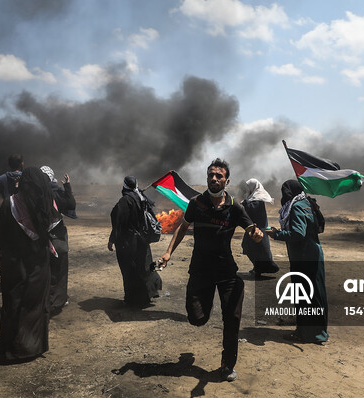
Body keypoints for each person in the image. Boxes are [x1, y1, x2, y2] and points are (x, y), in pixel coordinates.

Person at [158, 159, 264, 382]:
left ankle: (227, 364)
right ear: (207, 178)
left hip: (226, 272)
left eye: (219, 176)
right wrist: (169, 253)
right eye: (211, 175)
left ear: (227, 180)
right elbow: (183, 227)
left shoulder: (234, 207)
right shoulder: (197, 203)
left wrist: (256, 235)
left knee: (232, 319)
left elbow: (251, 229)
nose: (214, 179)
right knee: (197, 318)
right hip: (200, 270)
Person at [0, 167, 58, 361]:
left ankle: (13, 347)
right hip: (38, 264)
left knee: (13, 304)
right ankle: (32, 346)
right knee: (36, 306)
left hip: (15, 265)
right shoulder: (46, 204)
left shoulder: (10, 204)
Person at [267, 180, 329, 343]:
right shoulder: (308, 202)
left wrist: (276, 234)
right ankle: (319, 332)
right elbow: (318, 227)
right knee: (316, 294)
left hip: (303, 257)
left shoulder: (296, 206)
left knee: (303, 294)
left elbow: (297, 234)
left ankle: (305, 333)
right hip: (314, 253)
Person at [108, 176, 162, 308]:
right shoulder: (141, 197)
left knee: (129, 270)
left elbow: (118, 222)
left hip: (128, 242)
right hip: (142, 240)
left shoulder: (126, 200)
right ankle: (146, 296)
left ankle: (133, 300)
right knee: (143, 267)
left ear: (125, 186)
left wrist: (112, 240)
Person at [42, 166, 76, 315]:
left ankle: (45, 298)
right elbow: (71, 204)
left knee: (45, 269)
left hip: (41, 237)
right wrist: (67, 186)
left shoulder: (35, 194)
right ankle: (59, 298)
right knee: (60, 268)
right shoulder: (57, 193)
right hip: (58, 237)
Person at [239, 178, 279, 277]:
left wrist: (243, 204)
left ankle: (258, 269)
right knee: (248, 247)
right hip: (252, 229)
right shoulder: (253, 198)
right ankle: (257, 267)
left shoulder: (257, 199)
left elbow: (250, 209)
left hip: (258, 230)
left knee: (257, 250)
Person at [0, 154, 24, 265]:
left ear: (9, 165)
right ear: (21, 164)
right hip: (22, 215)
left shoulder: (1, 179)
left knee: (4, 245)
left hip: (6, 214)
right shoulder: (26, 177)